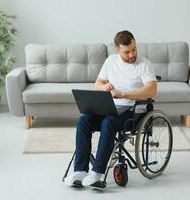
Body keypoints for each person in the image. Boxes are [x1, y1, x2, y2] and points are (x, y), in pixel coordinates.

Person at [64, 30, 157, 187]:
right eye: (126, 52)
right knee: (83, 121)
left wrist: (124, 94)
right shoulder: (110, 61)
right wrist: (104, 87)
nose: (132, 54)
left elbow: (152, 90)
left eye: (134, 49)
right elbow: (97, 84)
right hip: (111, 107)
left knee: (108, 123)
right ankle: (80, 170)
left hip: (133, 109)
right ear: (117, 50)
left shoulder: (144, 64)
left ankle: (97, 172)